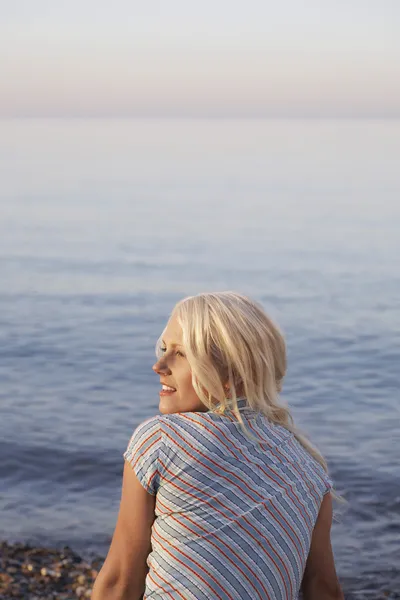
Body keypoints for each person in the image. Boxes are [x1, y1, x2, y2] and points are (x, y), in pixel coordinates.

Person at [92, 292, 344, 600]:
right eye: (164, 349)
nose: (159, 365)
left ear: (230, 374)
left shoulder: (162, 441)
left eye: (181, 354)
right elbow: (325, 589)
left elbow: (119, 582)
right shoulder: (309, 467)